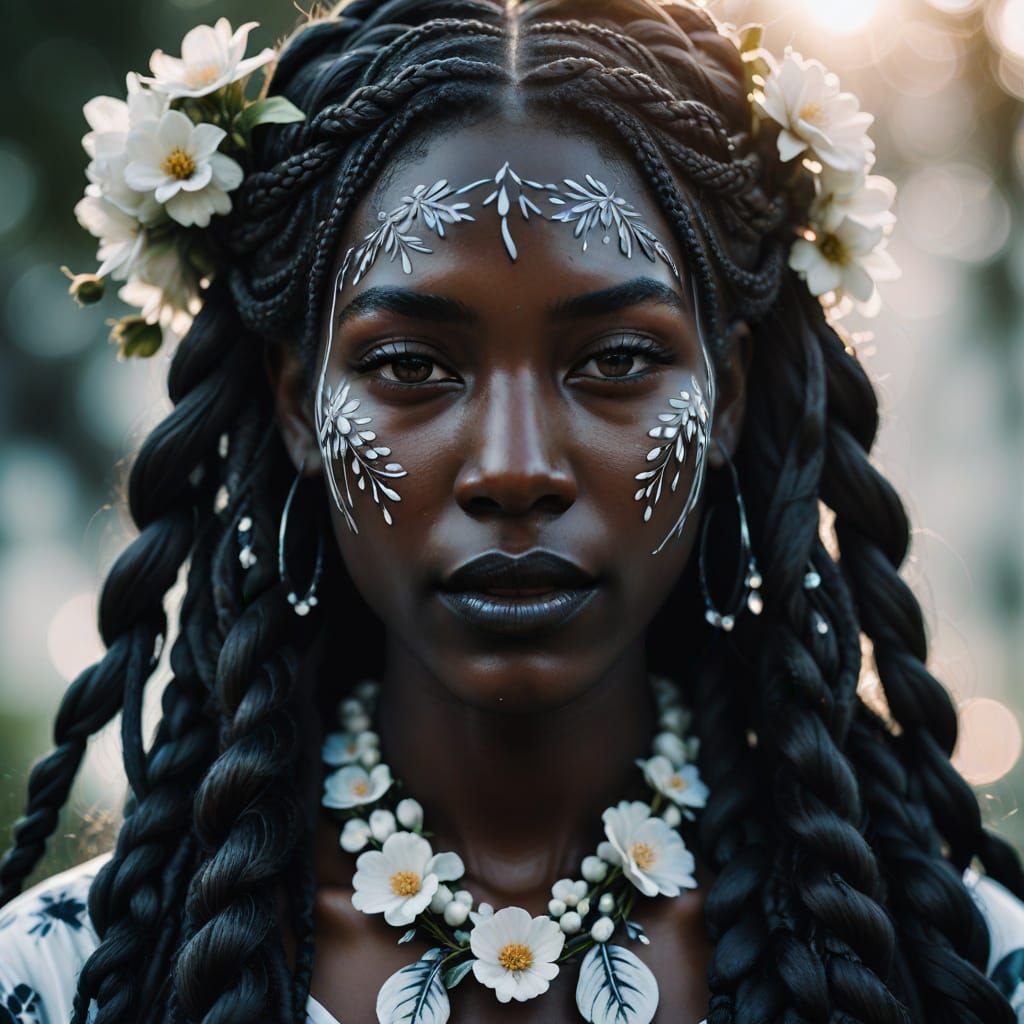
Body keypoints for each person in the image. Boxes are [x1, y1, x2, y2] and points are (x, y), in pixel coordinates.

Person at [1, 0, 1023, 1021]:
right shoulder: (65, 982)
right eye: (408, 364)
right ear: (296, 404)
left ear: (729, 395)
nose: (515, 467)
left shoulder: (957, 972)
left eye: (617, 359)